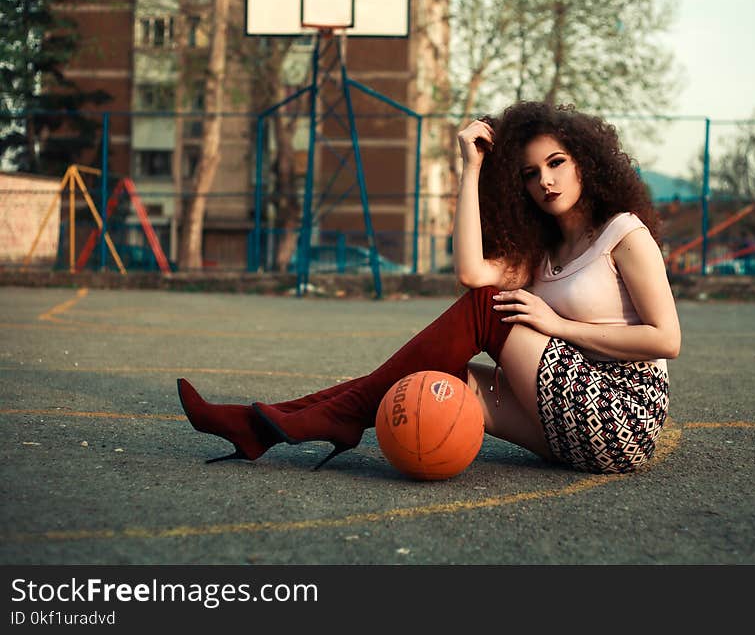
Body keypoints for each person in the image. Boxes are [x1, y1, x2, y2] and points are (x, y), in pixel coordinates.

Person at [178, 101, 680, 474]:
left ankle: (322, 420)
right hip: (570, 418)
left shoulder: (624, 233)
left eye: (556, 163)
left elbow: (666, 340)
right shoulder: (541, 252)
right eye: (529, 174)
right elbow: (470, 271)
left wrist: (557, 325)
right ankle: (263, 424)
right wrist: (472, 167)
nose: (545, 181)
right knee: (437, 379)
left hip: (622, 412)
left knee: (488, 310)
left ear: (585, 164)